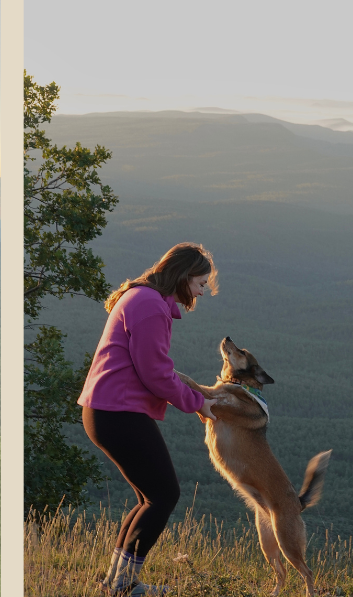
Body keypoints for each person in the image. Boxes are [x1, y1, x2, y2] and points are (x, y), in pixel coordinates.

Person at [78, 241, 220, 597]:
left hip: (106, 410)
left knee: (150, 497)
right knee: (164, 494)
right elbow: (155, 373)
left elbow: (153, 368)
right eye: (201, 283)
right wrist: (197, 403)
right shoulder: (150, 306)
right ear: (185, 276)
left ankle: (116, 581)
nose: (202, 291)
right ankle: (123, 584)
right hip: (117, 412)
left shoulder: (142, 297)